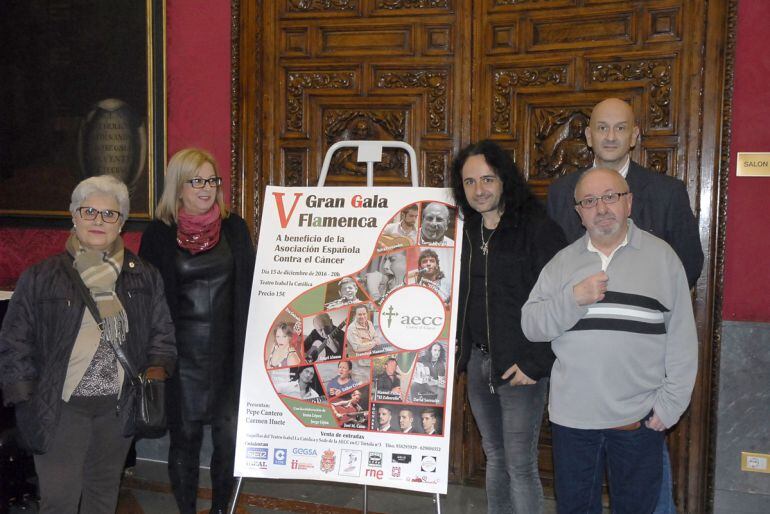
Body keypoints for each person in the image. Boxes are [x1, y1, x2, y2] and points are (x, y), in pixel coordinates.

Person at [545, 98, 704, 513]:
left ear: (635, 135)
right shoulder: (562, 192)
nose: (611, 136)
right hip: (579, 382)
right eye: (602, 127)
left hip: (641, 380)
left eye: (620, 128)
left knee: (645, 498)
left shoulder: (666, 192)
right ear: (588, 136)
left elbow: (688, 265)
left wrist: (642, 313)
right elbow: (547, 270)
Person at [0, 175, 176, 514]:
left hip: (117, 409)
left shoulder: (144, 276)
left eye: (109, 214)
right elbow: (14, 340)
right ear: (75, 216)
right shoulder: (42, 276)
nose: (98, 220)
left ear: (121, 223)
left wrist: (155, 374)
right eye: (89, 211)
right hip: (59, 408)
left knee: (102, 498)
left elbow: (162, 334)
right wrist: (26, 398)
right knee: (59, 502)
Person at [452, 140, 566, 514]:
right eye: (469, 182)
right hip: (478, 363)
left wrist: (537, 362)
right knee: (494, 455)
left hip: (521, 368)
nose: (479, 190)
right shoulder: (465, 231)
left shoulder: (537, 228)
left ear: (504, 180)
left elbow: (562, 303)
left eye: (488, 179)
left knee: (520, 464)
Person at [139, 148, 255, 514]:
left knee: (230, 438)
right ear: (178, 186)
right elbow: (148, 300)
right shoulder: (159, 234)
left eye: (212, 180)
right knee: (185, 439)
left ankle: (221, 508)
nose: (206, 188)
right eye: (196, 181)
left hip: (228, 356)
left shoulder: (235, 228)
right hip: (181, 358)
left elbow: (251, 286)